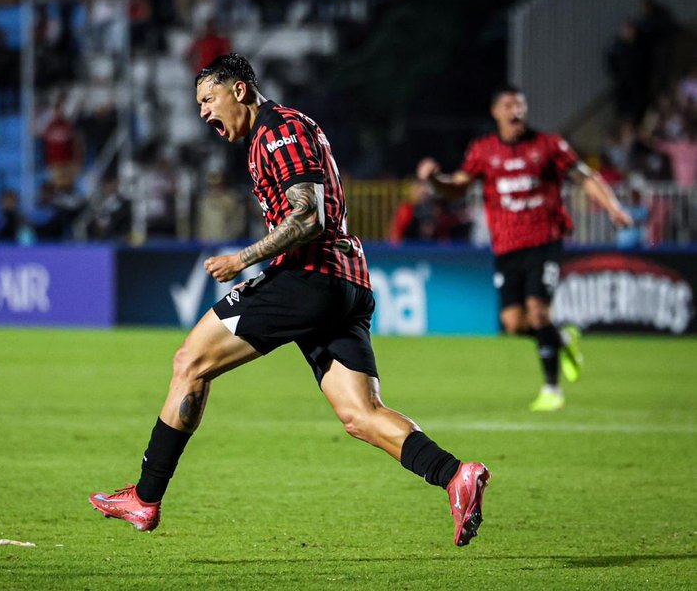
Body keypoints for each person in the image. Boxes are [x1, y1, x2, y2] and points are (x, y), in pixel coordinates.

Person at [89, 54, 490, 547]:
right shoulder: (281, 132)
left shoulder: (277, 133)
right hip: (347, 282)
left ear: (239, 90)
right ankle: (455, 475)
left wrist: (244, 258)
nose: (202, 114)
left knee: (190, 361)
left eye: (207, 100)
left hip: (308, 276)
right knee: (360, 414)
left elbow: (308, 217)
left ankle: (145, 498)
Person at [417, 86, 633, 412]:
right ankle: (560, 339)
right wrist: (435, 181)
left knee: (538, 311)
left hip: (544, 240)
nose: (515, 110)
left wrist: (613, 207)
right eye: (508, 105)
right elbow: (457, 187)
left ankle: (552, 389)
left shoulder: (548, 145)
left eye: (519, 104)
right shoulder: (484, 150)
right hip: (507, 246)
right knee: (514, 322)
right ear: (495, 112)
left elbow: (585, 177)